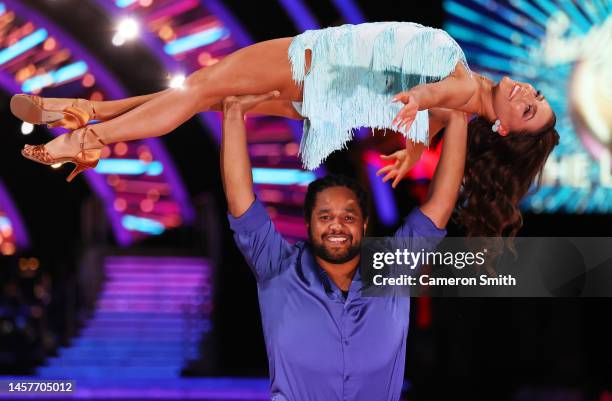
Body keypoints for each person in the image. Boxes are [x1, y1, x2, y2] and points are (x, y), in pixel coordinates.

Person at [13, 22, 556, 183]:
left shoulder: (461, 86)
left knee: (201, 89)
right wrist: (415, 149)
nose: (525, 94)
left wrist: (417, 97)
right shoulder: (464, 102)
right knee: (198, 98)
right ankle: (76, 112)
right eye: (535, 95)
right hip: (327, 99)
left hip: (317, 64)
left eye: (528, 109)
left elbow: (437, 95)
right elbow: (435, 117)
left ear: (505, 130)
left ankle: (88, 140)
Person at [220, 90, 467, 401]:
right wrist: (232, 116)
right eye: (325, 216)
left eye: (348, 216)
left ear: (363, 225)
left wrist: (457, 120)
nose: (336, 225)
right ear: (308, 225)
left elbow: (441, 204)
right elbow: (241, 204)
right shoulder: (278, 267)